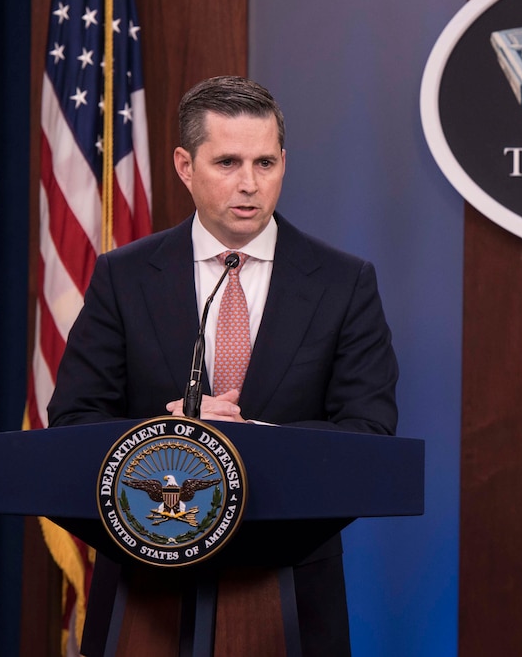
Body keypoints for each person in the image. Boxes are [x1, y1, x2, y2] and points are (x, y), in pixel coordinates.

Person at [48, 75, 399, 656]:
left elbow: (369, 432)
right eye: (228, 161)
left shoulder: (344, 282)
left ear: (284, 162)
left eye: (265, 163)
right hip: (146, 583)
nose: (249, 184)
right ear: (185, 166)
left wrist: (249, 442)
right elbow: (75, 421)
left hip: (290, 587)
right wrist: (167, 440)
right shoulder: (124, 276)